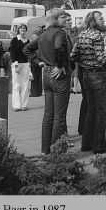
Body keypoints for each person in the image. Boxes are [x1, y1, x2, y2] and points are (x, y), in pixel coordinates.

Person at [24, 8, 73, 154]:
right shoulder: (60, 33)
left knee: (48, 115)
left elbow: (26, 49)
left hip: (46, 75)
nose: (66, 19)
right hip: (59, 76)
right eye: (63, 17)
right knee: (59, 116)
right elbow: (58, 48)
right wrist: (59, 65)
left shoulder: (43, 34)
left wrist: (38, 62)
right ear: (56, 19)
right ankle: (57, 153)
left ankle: (45, 150)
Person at [70, 10, 106, 154]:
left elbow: (73, 55)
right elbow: (101, 59)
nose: (103, 20)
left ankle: (86, 144)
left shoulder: (82, 34)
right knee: (102, 111)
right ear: (93, 21)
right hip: (98, 76)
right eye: (100, 19)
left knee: (90, 110)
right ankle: (99, 146)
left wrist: (85, 62)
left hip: (86, 76)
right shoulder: (97, 36)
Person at [9, 24, 31, 111]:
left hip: (25, 64)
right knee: (16, 84)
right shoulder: (14, 40)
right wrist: (16, 65)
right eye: (21, 28)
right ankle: (17, 105)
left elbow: (29, 52)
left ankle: (24, 104)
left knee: (25, 84)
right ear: (18, 30)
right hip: (17, 64)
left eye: (24, 28)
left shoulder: (27, 41)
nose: (23, 30)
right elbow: (12, 53)